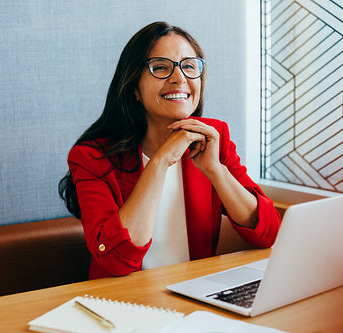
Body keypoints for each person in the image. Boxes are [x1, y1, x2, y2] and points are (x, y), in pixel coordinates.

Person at [59, 21, 281, 280]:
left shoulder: (213, 137)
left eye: (189, 66)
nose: (179, 78)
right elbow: (116, 261)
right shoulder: (91, 156)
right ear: (134, 89)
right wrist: (160, 160)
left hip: (193, 295)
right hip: (121, 303)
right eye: (161, 68)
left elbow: (268, 231)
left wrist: (215, 170)